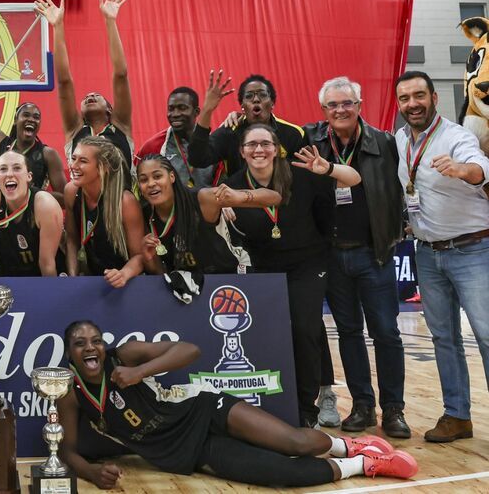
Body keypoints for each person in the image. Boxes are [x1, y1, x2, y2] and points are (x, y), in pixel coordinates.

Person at [58, 320, 418, 489]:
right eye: (80, 343)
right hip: (187, 451)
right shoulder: (70, 393)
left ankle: (347, 445)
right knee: (287, 474)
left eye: (95, 340)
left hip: (202, 410)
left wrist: (141, 372)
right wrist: (91, 473)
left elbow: (190, 350)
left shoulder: (124, 356)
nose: (90, 348)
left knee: (298, 442)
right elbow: (68, 451)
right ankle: (362, 464)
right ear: (70, 354)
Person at [225, 124, 360, 427]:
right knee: (270, 336)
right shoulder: (233, 185)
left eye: (265, 143)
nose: (258, 150)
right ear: (242, 152)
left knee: (304, 328)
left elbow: (354, 179)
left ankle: (305, 408)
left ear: (276, 148)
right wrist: (222, 208)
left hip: (308, 264)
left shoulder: (302, 174)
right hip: (265, 270)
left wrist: (327, 170)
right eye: (251, 145)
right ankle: (274, 401)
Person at [304, 77, 409, 437]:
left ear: (360, 105)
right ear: (323, 111)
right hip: (332, 256)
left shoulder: (385, 142)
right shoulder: (312, 139)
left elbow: (398, 189)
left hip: (373, 253)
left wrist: (396, 232)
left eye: (346, 103)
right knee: (348, 333)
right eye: (332, 105)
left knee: (386, 333)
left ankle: (393, 409)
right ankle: (363, 406)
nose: (340, 110)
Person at [394, 70, 489, 443]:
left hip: (473, 250)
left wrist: (465, 170)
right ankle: (457, 416)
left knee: (486, 335)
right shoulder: (401, 139)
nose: (412, 104)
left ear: (434, 97)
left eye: (419, 95)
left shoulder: (456, 136)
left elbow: (480, 166)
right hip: (428, 254)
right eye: (405, 98)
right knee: (443, 338)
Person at [35, 0, 135, 171]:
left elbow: (121, 74)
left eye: (97, 95)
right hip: (84, 199)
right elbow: (64, 82)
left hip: (121, 198)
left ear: (109, 109)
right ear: (80, 113)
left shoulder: (121, 125)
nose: (90, 95)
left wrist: (110, 21)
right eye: (87, 97)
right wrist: (57, 26)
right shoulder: (74, 130)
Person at [136, 154, 280, 277]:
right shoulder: (145, 215)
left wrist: (239, 196)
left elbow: (274, 198)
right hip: (189, 283)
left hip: (230, 273)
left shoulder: (203, 199)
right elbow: (161, 274)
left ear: (172, 176)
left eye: (157, 176)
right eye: (143, 180)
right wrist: (150, 259)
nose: (151, 184)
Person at [0, 48, 67, 206]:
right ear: (16, 120)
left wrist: (28, 190)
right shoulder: (1, 142)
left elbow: (64, 199)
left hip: (31, 217)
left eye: (36, 117)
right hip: (1, 214)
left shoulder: (47, 154)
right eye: (26, 115)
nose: (32, 119)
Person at [188, 74, 305, 180]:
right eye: (249, 96)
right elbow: (197, 159)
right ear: (242, 106)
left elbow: (302, 178)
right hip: (240, 199)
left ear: (272, 102)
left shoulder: (293, 133)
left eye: (263, 95)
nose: (256, 99)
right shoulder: (229, 132)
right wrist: (207, 110)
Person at [64, 136, 144, 288]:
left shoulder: (125, 202)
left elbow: (140, 256)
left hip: (124, 283)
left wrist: (124, 274)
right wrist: (72, 278)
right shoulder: (71, 191)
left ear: (104, 166)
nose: (73, 165)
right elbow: (72, 240)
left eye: (83, 161)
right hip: (90, 280)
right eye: (73, 158)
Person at [0, 151, 63, 276]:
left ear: (29, 176)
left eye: (17, 168)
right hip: (9, 280)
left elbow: (47, 265)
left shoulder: (45, 204)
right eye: (3, 169)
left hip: (43, 278)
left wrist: (48, 295)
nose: (9, 174)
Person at [135, 80, 224, 188]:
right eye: (171, 109)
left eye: (182, 108)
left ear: (196, 112)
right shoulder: (153, 146)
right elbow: (138, 183)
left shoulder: (213, 144)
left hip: (209, 203)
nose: (175, 114)